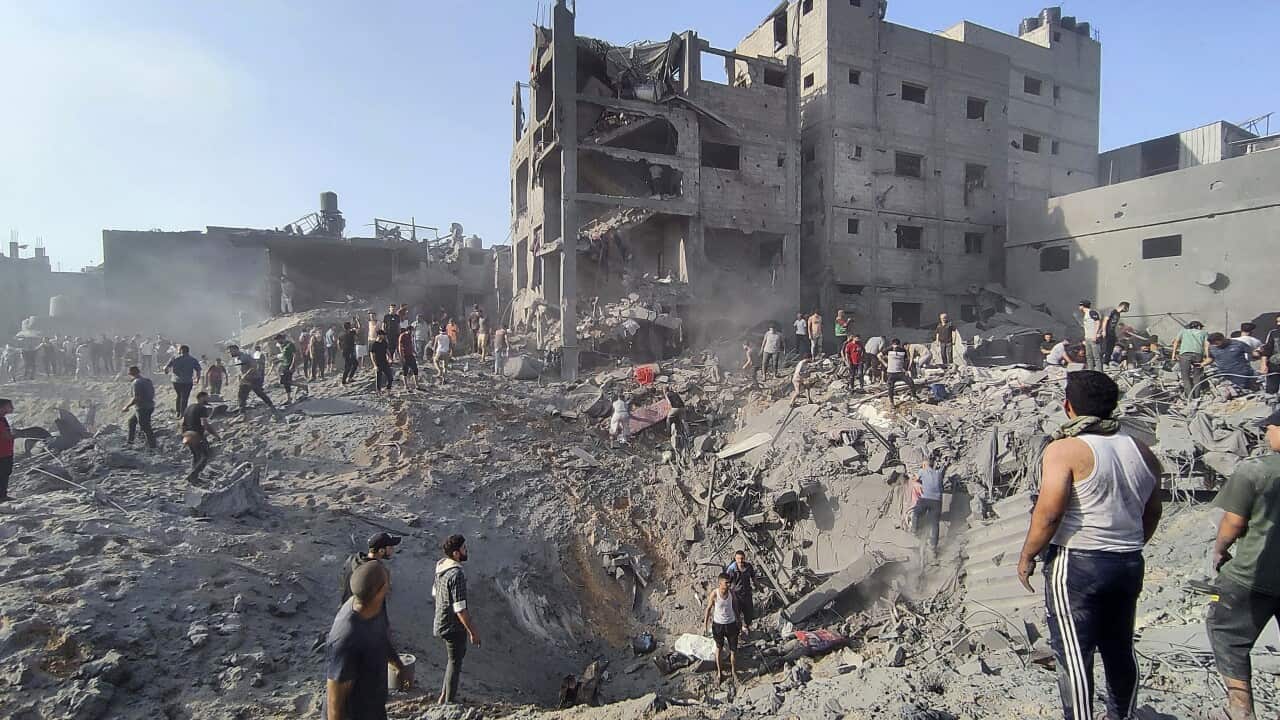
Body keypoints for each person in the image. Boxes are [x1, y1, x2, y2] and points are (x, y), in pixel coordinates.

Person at [1016, 370, 1163, 720]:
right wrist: (1128, 545)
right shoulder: (1142, 450)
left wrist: (1027, 555)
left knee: (1073, 654)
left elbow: (1049, 514)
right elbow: (1153, 511)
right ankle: (1122, 716)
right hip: (1128, 563)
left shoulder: (1064, 449)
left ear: (1068, 406)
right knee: (1119, 649)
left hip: (1078, 564)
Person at [1205, 410, 1280, 720]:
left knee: (1224, 630)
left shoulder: (1255, 471)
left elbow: (1233, 523)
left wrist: (1219, 551)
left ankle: (1240, 708)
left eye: (1270, 428)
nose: (1266, 434)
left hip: (1254, 574)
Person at [325, 561, 402, 720]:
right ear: (380, 591)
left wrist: (398, 664)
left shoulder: (373, 606)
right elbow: (334, 700)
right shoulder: (347, 637)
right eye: (386, 579)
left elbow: (380, 637)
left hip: (374, 707)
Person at [434, 534, 479, 705]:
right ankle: (448, 702)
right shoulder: (457, 574)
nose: (466, 550)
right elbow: (460, 608)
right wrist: (472, 632)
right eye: (463, 548)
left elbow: (435, 593)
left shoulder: (441, 567)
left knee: (452, 661)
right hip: (452, 626)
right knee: (455, 663)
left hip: (441, 620)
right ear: (456, 553)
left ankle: (443, 697)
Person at [340, 533, 402, 606]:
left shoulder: (352, 559)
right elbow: (386, 593)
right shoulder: (377, 571)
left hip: (345, 606)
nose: (393, 550)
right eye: (391, 547)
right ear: (381, 551)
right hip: (364, 610)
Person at [703, 572, 742, 687]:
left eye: (729, 582)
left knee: (733, 650)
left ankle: (734, 672)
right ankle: (720, 673)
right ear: (720, 583)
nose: (729, 584)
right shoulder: (714, 594)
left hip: (731, 624)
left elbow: (735, 606)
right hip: (718, 625)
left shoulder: (731, 593)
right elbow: (708, 609)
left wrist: (739, 619)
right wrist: (705, 625)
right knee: (719, 648)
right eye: (726, 583)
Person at [226, 345, 277, 420]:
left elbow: (254, 366)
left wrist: (245, 375)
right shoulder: (236, 359)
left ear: (236, 349)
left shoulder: (245, 356)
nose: (230, 353)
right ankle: (242, 412)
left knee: (259, 393)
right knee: (241, 396)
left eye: (231, 351)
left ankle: (271, 406)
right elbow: (240, 370)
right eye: (229, 352)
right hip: (245, 380)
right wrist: (240, 378)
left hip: (253, 378)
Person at [181, 391, 219, 483]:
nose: (208, 399)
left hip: (187, 434)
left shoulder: (189, 407)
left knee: (196, 455)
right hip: (195, 435)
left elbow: (182, 423)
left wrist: (183, 436)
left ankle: (193, 475)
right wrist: (216, 435)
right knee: (206, 456)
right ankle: (193, 476)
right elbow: (205, 425)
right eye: (206, 397)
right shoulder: (201, 408)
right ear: (201, 397)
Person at [912, 459, 945, 558]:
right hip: (937, 500)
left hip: (925, 499)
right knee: (935, 524)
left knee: (916, 512)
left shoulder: (922, 471)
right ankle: (933, 547)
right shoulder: (938, 473)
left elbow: (914, 479)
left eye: (922, 465)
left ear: (924, 465)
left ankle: (915, 530)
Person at [1171, 320, 1210, 397]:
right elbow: (1206, 345)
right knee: (1197, 376)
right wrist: (1207, 357)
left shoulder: (1183, 331)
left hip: (1185, 355)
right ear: (1199, 326)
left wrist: (1173, 354)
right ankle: (1197, 396)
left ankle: (1189, 397)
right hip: (1198, 355)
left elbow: (1176, 342)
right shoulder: (1204, 333)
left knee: (1185, 376)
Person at [123, 366, 157, 449]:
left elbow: (136, 398)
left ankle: (152, 446)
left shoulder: (136, 383)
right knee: (131, 421)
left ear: (131, 373)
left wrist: (127, 406)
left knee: (145, 427)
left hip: (142, 407)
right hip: (150, 406)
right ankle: (130, 442)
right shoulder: (147, 380)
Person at [724, 551, 756, 639]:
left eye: (742, 558)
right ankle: (738, 632)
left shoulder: (748, 567)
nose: (740, 560)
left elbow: (753, 576)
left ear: (744, 558)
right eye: (738, 558)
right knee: (736, 615)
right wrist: (726, 595)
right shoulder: (731, 569)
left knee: (749, 613)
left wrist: (757, 585)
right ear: (735, 558)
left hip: (747, 594)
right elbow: (726, 582)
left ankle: (746, 627)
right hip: (736, 596)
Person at [163, 345, 202, 417]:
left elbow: (166, 368)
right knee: (185, 397)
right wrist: (197, 379)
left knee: (179, 396)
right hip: (187, 381)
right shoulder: (193, 359)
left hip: (176, 381)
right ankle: (183, 413)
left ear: (180, 351)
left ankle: (178, 412)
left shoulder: (175, 358)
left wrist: (166, 372)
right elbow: (198, 370)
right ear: (188, 351)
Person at [881, 339, 917, 405]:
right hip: (891, 372)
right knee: (891, 387)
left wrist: (906, 370)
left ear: (899, 345)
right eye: (894, 345)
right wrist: (885, 363)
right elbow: (879, 355)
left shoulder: (903, 350)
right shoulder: (888, 349)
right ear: (892, 345)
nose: (895, 347)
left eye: (897, 345)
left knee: (910, 382)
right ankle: (891, 402)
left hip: (900, 372)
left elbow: (906, 360)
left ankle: (914, 396)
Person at [274, 334, 307, 404]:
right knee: (284, 381)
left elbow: (295, 355)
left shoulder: (290, 345)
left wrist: (292, 365)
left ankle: (302, 386)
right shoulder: (282, 346)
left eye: (278, 340)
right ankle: (291, 397)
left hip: (290, 365)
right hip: (284, 365)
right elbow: (284, 356)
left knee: (286, 381)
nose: (277, 342)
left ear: (281, 338)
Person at [1101, 302, 1130, 366]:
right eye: (1127, 308)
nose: (1127, 310)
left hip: (1112, 332)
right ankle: (1103, 362)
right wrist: (1104, 331)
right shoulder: (1112, 311)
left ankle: (1106, 362)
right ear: (1123, 306)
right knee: (1106, 347)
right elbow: (1105, 320)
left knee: (1111, 347)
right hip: (1107, 331)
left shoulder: (1118, 314)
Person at [1079, 301, 1103, 372]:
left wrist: (1095, 334)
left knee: (1097, 356)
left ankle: (1099, 372)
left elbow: (1097, 322)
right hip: (1087, 338)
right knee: (1088, 356)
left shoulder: (1092, 312)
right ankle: (1091, 371)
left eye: (1080, 305)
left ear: (1083, 306)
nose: (1079, 307)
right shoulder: (1085, 314)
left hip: (1093, 337)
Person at [369, 330, 393, 396]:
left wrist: (390, 358)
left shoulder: (384, 342)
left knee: (390, 377)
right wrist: (375, 365)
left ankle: (388, 390)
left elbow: (387, 351)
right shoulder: (374, 344)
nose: (384, 336)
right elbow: (372, 356)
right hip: (378, 363)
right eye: (383, 335)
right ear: (379, 335)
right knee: (379, 378)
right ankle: (378, 391)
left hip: (384, 362)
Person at [1262, 317, 1280, 397]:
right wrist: (1263, 364)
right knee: (1271, 391)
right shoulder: (1273, 333)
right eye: (1277, 321)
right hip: (1274, 365)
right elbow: (1267, 349)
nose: (1278, 324)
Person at [398, 326, 419, 392]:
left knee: (415, 369)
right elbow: (400, 346)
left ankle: (417, 384)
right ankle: (406, 385)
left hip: (410, 355)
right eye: (412, 330)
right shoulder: (402, 336)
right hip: (405, 355)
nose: (413, 332)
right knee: (405, 371)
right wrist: (401, 357)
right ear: (408, 330)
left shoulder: (410, 336)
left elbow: (411, 345)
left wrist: (414, 352)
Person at [0, 398, 13, 502]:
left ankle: (3, 495)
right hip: (2, 453)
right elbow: (5, 436)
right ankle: (2, 496)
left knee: (5, 474)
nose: (12, 408)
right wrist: (19, 434)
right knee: (3, 474)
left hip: (7, 451)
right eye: (9, 406)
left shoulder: (3, 419)